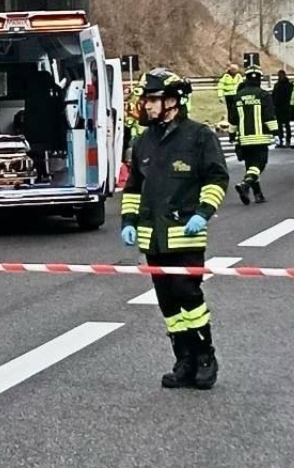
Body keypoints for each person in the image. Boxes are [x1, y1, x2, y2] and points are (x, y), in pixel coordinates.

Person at [120, 68, 229, 390]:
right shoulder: (143, 141)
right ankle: (183, 359)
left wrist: (204, 213)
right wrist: (128, 221)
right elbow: (133, 187)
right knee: (167, 301)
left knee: (187, 293)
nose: (147, 105)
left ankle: (205, 356)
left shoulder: (199, 136)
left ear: (172, 101)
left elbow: (216, 177)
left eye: (153, 99)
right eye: (146, 99)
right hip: (152, 237)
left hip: (185, 233)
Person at [234, 66, 278, 204]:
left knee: (250, 166)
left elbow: (233, 119)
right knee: (259, 164)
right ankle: (245, 184)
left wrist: (232, 135)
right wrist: (276, 132)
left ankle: (257, 194)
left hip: (244, 138)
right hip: (260, 138)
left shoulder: (238, 96)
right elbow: (269, 116)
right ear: (259, 79)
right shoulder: (264, 95)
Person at [217, 64, 243, 142]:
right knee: (231, 113)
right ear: (231, 70)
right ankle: (231, 127)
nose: (235, 72)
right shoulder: (225, 77)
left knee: (238, 112)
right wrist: (220, 96)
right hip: (228, 96)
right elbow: (220, 86)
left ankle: (237, 127)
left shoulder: (238, 76)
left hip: (237, 96)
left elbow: (242, 85)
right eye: (233, 70)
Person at [272, 69, 294, 148]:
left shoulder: (289, 85)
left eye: (281, 75)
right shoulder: (276, 85)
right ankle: (281, 140)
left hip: (286, 107)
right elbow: (274, 95)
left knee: (287, 125)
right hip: (278, 107)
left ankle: (288, 140)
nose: (280, 77)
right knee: (279, 125)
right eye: (279, 75)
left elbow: (291, 96)